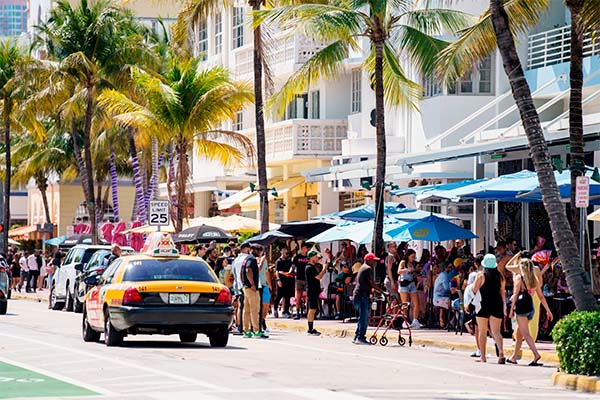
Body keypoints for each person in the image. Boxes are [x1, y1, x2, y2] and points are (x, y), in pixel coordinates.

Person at [508, 258, 554, 366]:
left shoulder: (520, 278)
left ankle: (536, 354)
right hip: (530, 308)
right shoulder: (534, 279)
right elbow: (541, 297)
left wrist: (511, 310)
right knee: (519, 334)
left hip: (521, 308)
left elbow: (515, 295)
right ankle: (514, 357)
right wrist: (548, 310)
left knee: (525, 333)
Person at [473, 254, 506, 364]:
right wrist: (504, 306)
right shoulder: (500, 277)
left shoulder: (481, 275)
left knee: (482, 332)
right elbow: (502, 292)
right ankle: (501, 352)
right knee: (496, 331)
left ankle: (483, 357)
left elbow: (474, 289)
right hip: (497, 304)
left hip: (483, 304)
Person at [353, 253, 382, 345]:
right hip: (362, 296)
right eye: (374, 261)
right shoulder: (367, 269)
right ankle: (361, 337)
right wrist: (383, 292)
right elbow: (372, 283)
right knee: (364, 318)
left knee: (362, 317)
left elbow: (367, 284)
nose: (375, 263)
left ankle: (357, 336)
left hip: (359, 295)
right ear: (369, 260)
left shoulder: (363, 267)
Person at [242, 244, 263, 338]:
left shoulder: (246, 259)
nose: (261, 253)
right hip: (251, 288)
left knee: (246, 310)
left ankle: (246, 331)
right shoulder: (252, 259)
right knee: (255, 309)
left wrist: (244, 283)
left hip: (245, 287)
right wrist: (252, 284)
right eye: (260, 251)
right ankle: (256, 330)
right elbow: (248, 270)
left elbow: (241, 273)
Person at [397, 249, 422, 329]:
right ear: (408, 256)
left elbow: (412, 273)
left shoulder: (412, 264)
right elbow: (399, 271)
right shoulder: (403, 262)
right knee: (405, 303)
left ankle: (415, 320)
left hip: (411, 283)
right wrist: (408, 270)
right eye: (412, 257)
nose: (413, 258)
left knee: (416, 302)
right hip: (404, 284)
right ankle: (405, 320)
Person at [305, 250, 328, 336]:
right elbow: (319, 277)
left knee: (313, 309)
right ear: (311, 257)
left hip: (314, 290)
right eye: (315, 257)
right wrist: (324, 269)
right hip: (311, 291)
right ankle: (310, 328)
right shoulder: (309, 267)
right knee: (312, 309)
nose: (316, 258)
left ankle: (311, 327)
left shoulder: (312, 267)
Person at [231, 243, 251, 335]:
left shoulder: (236, 260)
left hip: (238, 285)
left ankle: (240, 326)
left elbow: (234, 274)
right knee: (248, 307)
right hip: (247, 285)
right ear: (246, 249)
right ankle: (246, 327)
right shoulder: (248, 258)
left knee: (240, 306)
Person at [291, 243, 309, 320]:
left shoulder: (309, 257)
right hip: (299, 278)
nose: (305, 250)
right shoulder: (297, 257)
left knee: (308, 296)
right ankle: (298, 312)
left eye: (306, 248)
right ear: (301, 248)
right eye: (304, 248)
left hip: (307, 279)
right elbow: (293, 266)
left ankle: (307, 312)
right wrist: (290, 272)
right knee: (298, 296)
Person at [274, 247, 293, 318]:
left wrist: (290, 272)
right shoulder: (278, 261)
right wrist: (278, 280)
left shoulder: (289, 260)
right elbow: (277, 271)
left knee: (287, 296)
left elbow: (292, 266)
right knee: (279, 296)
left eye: (287, 252)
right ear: (282, 252)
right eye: (285, 252)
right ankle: (275, 309)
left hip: (288, 281)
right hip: (281, 280)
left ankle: (286, 311)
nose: (286, 254)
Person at [433, 262, 452, 328]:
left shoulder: (441, 275)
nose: (450, 269)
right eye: (449, 267)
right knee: (453, 303)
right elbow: (447, 288)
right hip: (440, 298)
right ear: (445, 268)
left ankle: (446, 321)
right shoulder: (444, 276)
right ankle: (450, 322)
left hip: (439, 297)